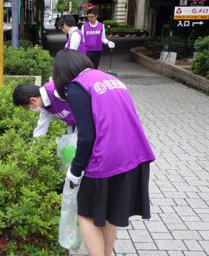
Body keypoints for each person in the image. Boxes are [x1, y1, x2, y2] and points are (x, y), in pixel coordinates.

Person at [52, 49, 155, 256]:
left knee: (85, 214)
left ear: (62, 72)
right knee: (110, 214)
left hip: (107, 158)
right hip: (135, 155)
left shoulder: (77, 87)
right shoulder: (108, 78)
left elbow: (87, 136)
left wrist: (75, 170)